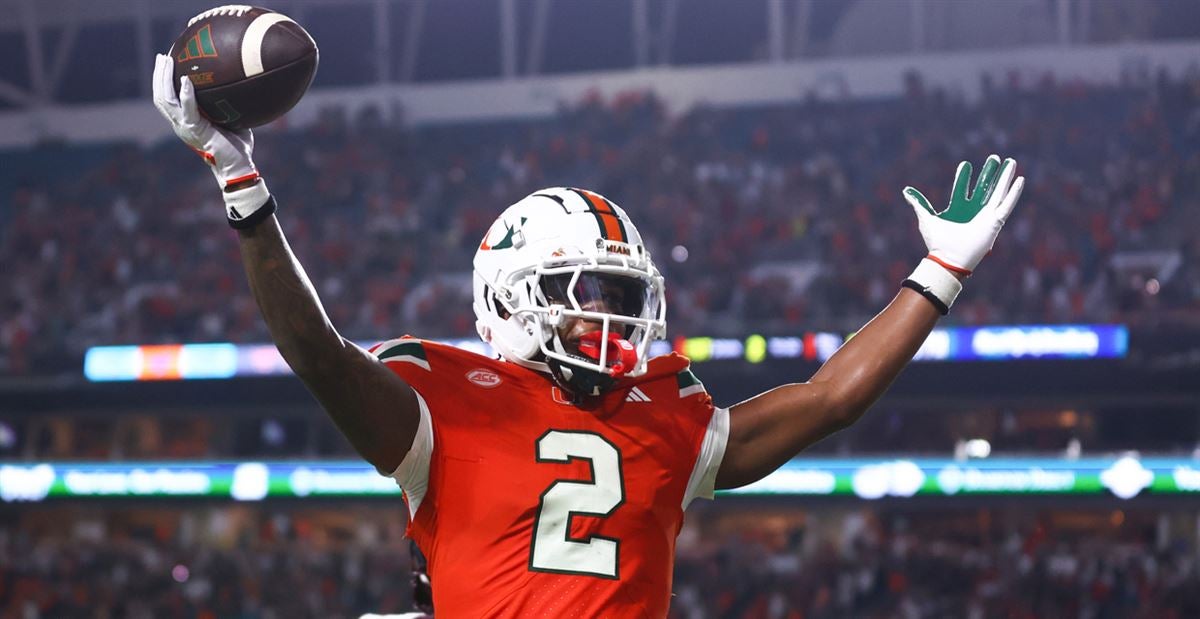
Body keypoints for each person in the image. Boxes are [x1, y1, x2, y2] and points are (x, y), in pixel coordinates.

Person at [151, 54, 1024, 617]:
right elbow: (316, 349)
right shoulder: (441, 404)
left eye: (619, 293)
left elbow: (829, 399)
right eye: (582, 292)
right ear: (508, 297)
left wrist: (939, 273)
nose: (606, 314)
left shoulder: (670, 417)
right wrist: (242, 182)